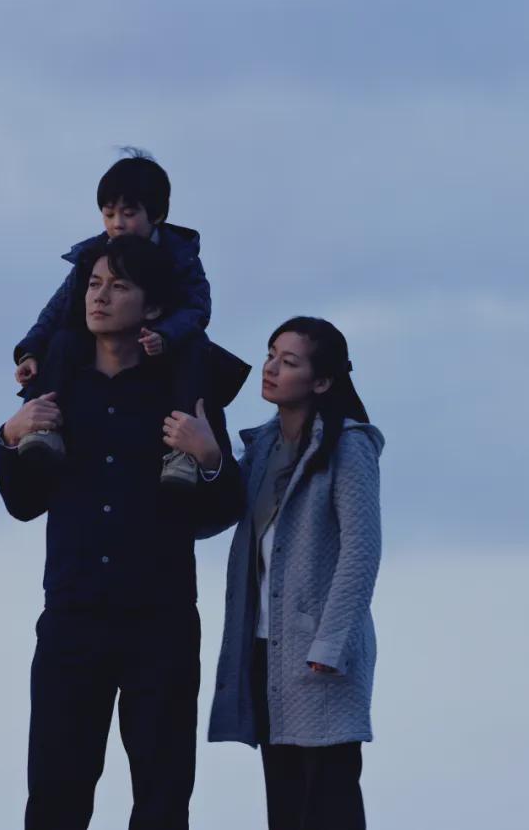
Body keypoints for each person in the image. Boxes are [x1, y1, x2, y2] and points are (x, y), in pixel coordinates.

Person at [0, 234, 244, 830]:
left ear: (153, 306)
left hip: (161, 622)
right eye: (94, 283)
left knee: (162, 799)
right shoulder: (56, 387)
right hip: (72, 618)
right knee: (55, 795)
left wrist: (210, 457)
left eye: (119, 285)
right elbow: (23, 504)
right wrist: (9, 436)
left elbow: (220, 511)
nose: (99, 297)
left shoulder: (184, 391)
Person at [205, 317, 384, 830]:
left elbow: (361, 551)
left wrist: (331, 644)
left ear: (321, 381)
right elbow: (214, 520)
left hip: (321, 654)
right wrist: (208, 457)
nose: (270, 368)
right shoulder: (262, 447)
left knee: (328, 800)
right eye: (270, 355)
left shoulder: (349, 445)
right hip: (266, 650)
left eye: (288, 362)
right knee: (284, 802)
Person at [11, 148, 248, 487]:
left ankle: (182, 451)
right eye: (108, 214)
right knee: (63, 339)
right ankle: (42, 427)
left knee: (195, 350)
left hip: (166, 343)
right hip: (100, 346)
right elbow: (57, 309)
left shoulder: (179, 254)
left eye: (129, 213)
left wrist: (166, 334)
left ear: (157, 214)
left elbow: (197, 307)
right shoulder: (95, 254)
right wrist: (30, 351)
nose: (117, 224)